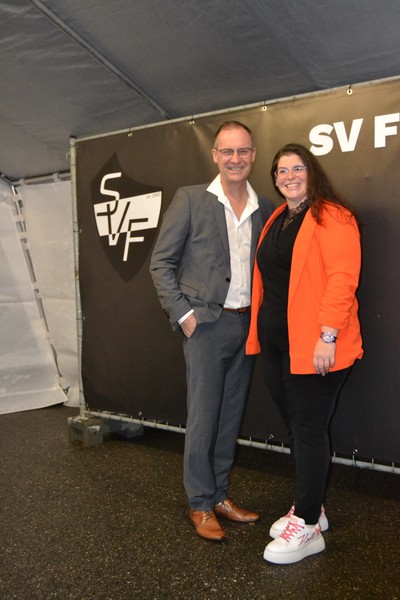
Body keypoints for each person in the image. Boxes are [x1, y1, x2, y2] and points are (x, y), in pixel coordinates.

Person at [150, 121, 274, 542]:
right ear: (215, 155)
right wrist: (184, 315)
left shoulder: (264, 206)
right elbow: (161, 263)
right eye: (228, 152)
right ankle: (200, 502)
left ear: (253, 155)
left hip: (246, 324)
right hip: (206, 326)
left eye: (243, 151)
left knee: (229, 416)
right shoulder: (190, 199)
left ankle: (220, 495)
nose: (236, 159)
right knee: (204, 417)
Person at [246, 143, 363, 564]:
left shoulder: (334, 216)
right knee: (296, 428)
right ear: (275, 179)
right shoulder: (279, 217)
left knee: (309, 429)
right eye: (281, 171)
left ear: (311, 172)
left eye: (297, 168)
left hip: (317, 346)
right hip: (278, 343)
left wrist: (327, 336)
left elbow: (342, 279)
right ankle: (313, 506)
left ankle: (309, 526)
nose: (289, 176)